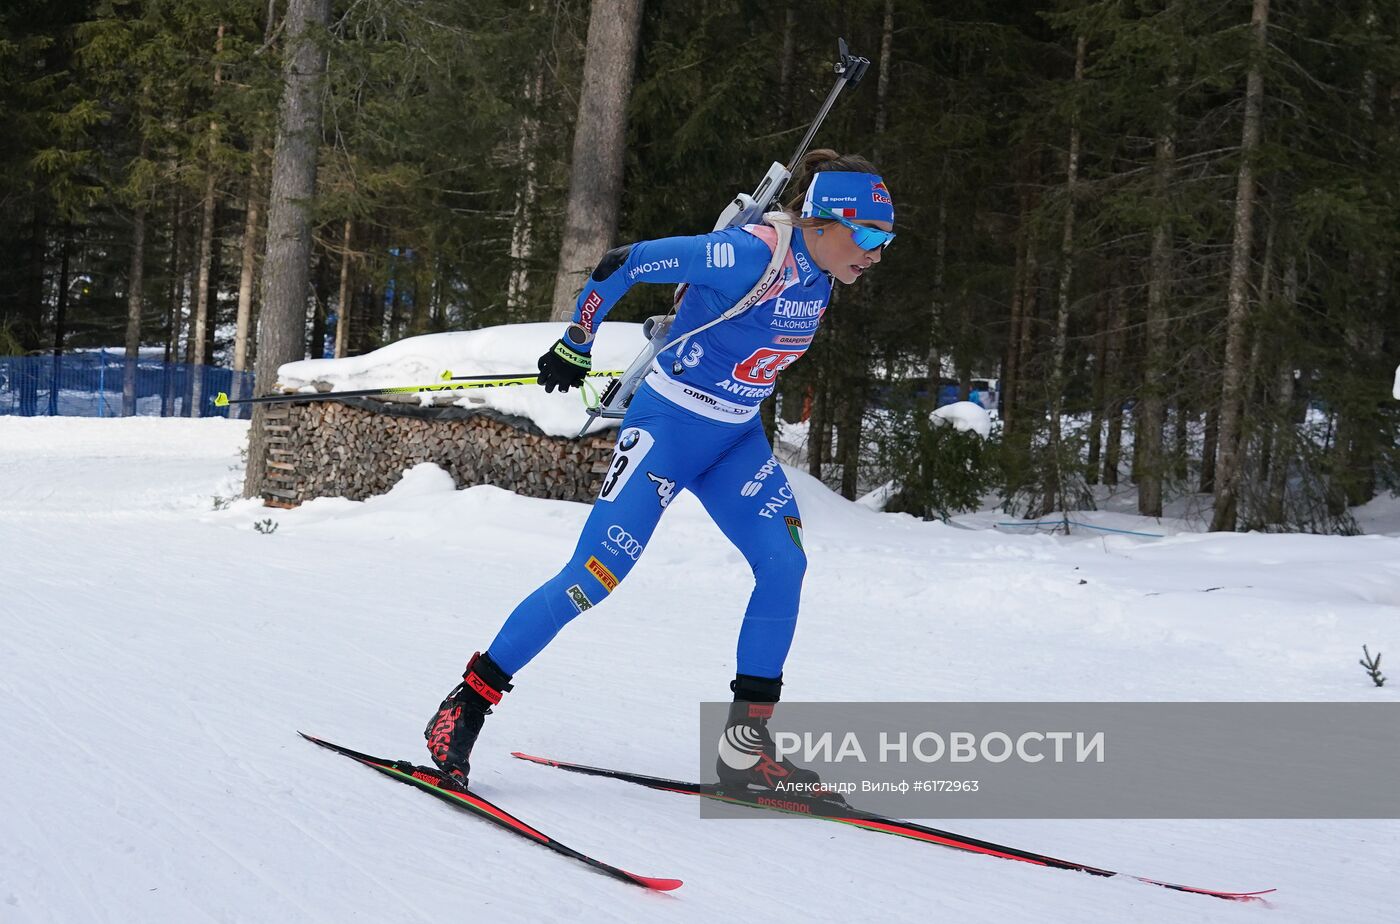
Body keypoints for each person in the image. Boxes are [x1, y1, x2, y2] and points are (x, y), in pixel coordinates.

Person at [425, 149, 895, 794]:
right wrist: (576, 342)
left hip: (735, 440)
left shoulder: (822, 272)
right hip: (668, 429)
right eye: (867, 235)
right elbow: (628, 263)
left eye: (885, 240)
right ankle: (464, 707)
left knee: (784, 564)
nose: (875, 252)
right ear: (821, 219)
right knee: (594, 577)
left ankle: (748, 753)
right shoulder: (751, 255)